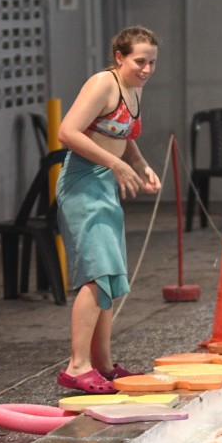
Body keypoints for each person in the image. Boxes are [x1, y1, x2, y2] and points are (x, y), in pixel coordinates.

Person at [55, 26, 162, 394]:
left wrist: (141, 164)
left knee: (111, 278)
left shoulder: (134, 88)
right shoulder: (104, 83)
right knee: (96, 273)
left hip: (105, 185)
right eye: (139, 62)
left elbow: (124, 136)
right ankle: (76, 365)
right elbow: (67, 132)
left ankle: (101, 364)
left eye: (152, 62)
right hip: (82, 183)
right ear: (119, 57)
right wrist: (114, 166)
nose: (146, 69)